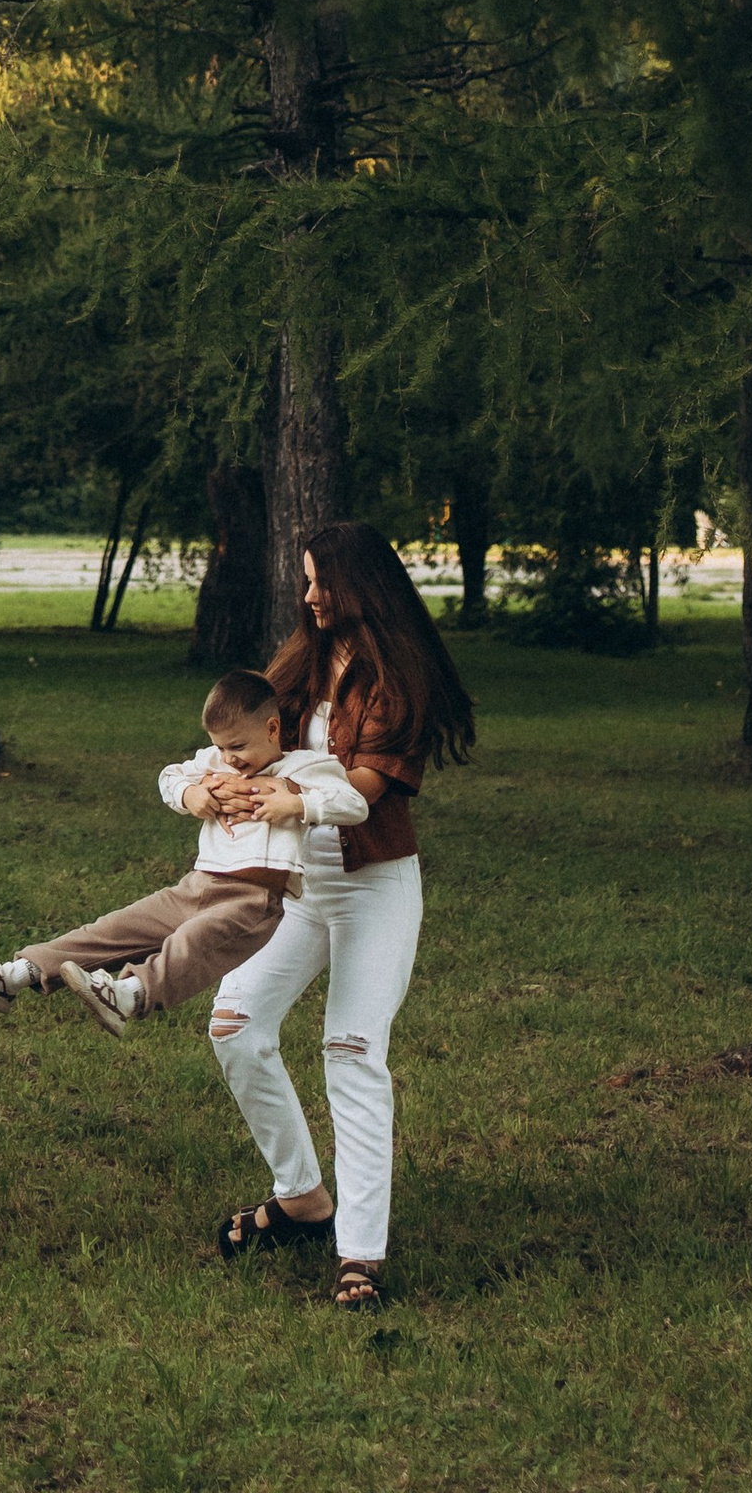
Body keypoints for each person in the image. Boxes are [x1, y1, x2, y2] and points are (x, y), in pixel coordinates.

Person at [204, 524, 475, 1308]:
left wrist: (290, 797)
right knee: (235, 1027)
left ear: (361, 586)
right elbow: (235, 736)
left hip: (372, 887)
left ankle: (361, 1258)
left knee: (351, 1052)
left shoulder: (401, 678)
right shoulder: (301, 665)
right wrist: (208, 783)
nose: (311, 595)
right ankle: (301, 1200)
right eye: (307, 581)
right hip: (298, 890)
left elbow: (363, 791)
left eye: (322, 581)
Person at [0, 668, 365, 1028]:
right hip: (196, 886)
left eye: (237, 747)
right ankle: (13, 975)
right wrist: (190, 794)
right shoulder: (214, 764)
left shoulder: (304, 768)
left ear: (272, 729)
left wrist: (296, 803)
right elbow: (170, 776)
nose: (228, 757)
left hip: (253, 898)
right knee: (112, 929)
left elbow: (354, 804)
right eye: (220, 746)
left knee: (194, 942)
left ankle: (128, 995)